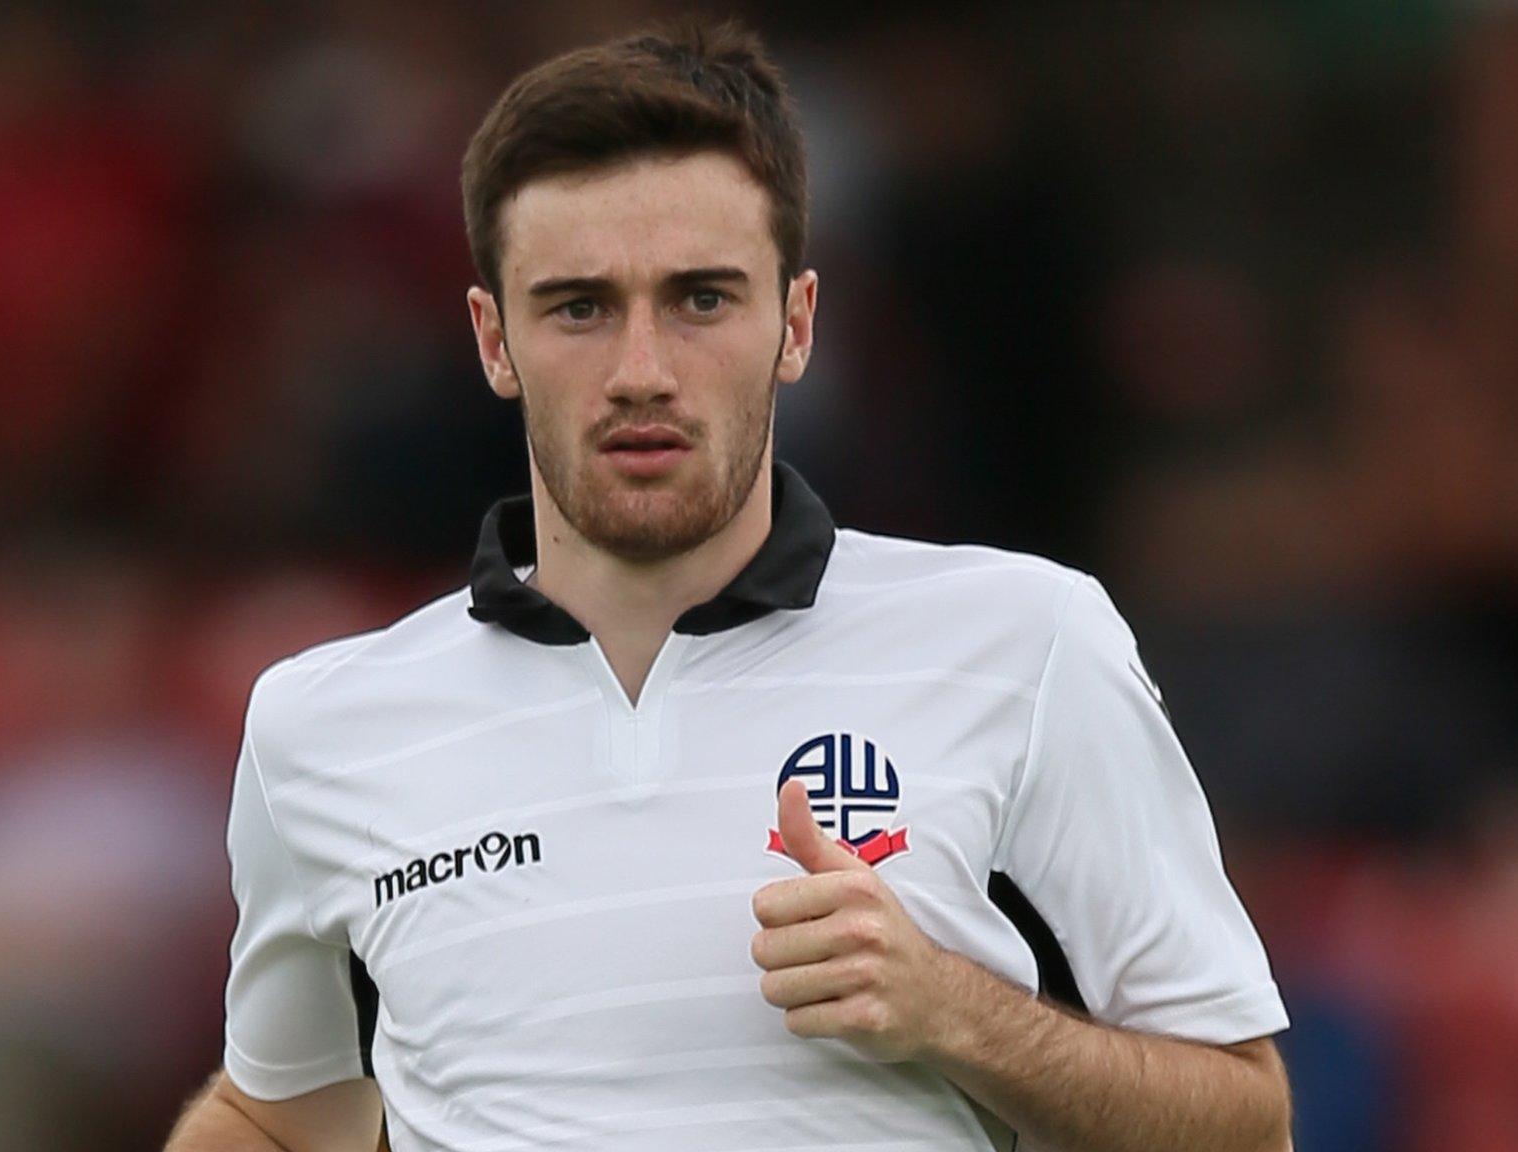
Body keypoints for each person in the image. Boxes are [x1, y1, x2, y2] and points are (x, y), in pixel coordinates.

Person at [166, 20, 1291, 1152]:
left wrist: (959, 1014)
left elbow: (1245, 1125)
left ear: (795, 323)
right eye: (578, 307)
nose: (640, 371)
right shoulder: (322, 724)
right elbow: (280, 1118)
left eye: (700, 299)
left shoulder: (1026, 638)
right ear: (492, 340)